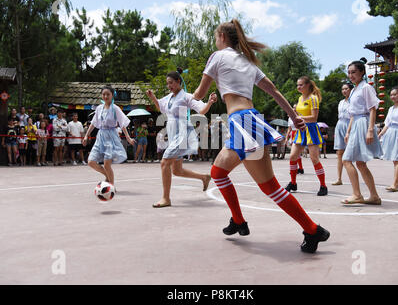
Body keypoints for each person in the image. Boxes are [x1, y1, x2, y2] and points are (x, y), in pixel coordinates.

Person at [192, 19, 329, 253]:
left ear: (222, 37)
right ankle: (238, 220)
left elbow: (199, 94)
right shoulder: (247, 61)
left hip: (243, 123)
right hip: (245, 122)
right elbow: (274, 90)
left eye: (216, 37)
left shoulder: (217, 56)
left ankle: (313, 229)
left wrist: (184, 98)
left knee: (271, 188)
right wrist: (294, 117)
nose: (215, 41)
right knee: (218, 171)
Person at [146, 68, 218, 208]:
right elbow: (161, 108)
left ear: (178, 81)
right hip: (173, 133)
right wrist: (153, 97)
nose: (169, 86)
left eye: (171, 83)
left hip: (182, 133)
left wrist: (209, 102)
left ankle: (166, 198)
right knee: (177, 171)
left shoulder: (186, 97)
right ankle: (204, 177)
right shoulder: (169, 98)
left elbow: (202, 110)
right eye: (168, 84)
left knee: (164, 163)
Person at [341, 58, 383, 205]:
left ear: (362, 72)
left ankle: (357, 194)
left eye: (354, 72)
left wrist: (371, 129)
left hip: (363, 123)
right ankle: (374, 196)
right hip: (356, 123)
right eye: (349, 72)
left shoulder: (366, 87)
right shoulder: (354, 90)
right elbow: (353, 114)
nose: (351, 75)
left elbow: (372, 109)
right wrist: (348, 131)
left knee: (346, 160)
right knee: (360, 163)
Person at [82, 86, 135, 187]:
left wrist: (128, 138)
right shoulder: (99, 108)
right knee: (91, 161)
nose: (105, 96)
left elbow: (122, 124)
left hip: (111, 137)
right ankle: (108, 176)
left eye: (108, 94)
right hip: (100, 136)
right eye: (104, 94)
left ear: (112, 95)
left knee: (106, 164)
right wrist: (86, 135)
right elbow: (93, 123)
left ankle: (111, 185)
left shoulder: (115, 108)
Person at [286, 77, 328, 196]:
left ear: (308, 85)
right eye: (297, 85)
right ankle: (293, 183)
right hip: (301, 130)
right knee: (293, 156)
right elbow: (299, 114)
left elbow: (314, 118)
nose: (298, 87)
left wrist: (298, 118)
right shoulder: (300, 98)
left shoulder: (313, 98)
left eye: (300, 85)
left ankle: (323, 186)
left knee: (314, 159)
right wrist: (296, 117)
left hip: (311, 130)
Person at [332, 83, 352, 186]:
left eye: (346, 89)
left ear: (350, 90)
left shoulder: (353, 101)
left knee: (349, 154)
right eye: (343, 89)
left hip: (350, 125)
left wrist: (348, 131)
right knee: (339, 153)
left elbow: (353, 116)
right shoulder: (340, 102)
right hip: (340, 124)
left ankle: (352, 177)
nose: (344, 91)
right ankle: (339, 178)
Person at [285, 110, 304, 174]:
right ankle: (300, 168)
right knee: (295, 153)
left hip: (298, 132)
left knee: (296, 153)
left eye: (295, 108)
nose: (294, 109)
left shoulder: (300, 116)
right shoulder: (290, 118)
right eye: (293, 108)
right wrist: (286, 138)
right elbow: (289, 129)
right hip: (293, 134)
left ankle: (299, 168)